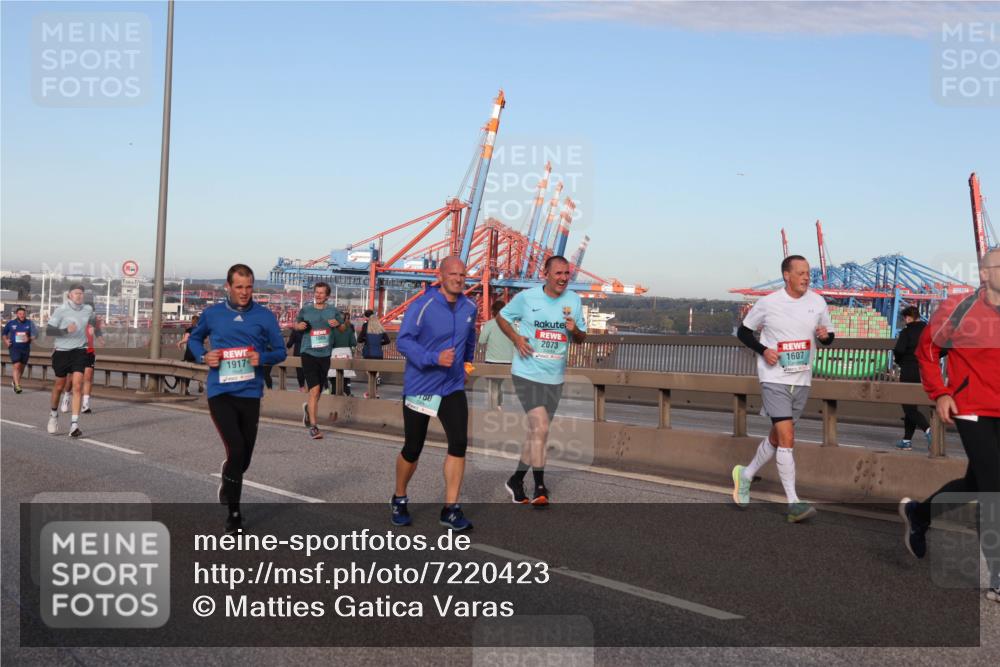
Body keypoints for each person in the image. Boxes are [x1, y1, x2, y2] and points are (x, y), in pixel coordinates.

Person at [900, 247, 1000, 603]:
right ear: (985, 274)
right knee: (993, 486)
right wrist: (940, 393)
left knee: (976, 481)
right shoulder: (959, 309)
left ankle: (919, 513)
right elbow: (927, 352)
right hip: (971, 407)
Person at [730, 255, 835, 523]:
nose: (806, 277)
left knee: (778, 437)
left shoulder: (818, 301)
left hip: (802, 378)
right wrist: (764, 350)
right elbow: (743, 332)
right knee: (788, 438)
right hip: (773, 377)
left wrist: (826, 337)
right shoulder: (769, 303)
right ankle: (794, 503)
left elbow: (828, 337)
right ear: (786, 275)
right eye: (800, 272)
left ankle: (746, 474)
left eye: (808, 273)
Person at [187, 264, 287, 534]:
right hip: (221, 392)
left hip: (250, 393)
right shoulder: (213, 314)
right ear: (228, 287)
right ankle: (234, 516)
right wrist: (203, 356)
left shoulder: (265, 317)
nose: (244, 292)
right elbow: (194, 340)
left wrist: (262, 358)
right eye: (239, 287)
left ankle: (228, 476)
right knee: (237, 449)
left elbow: (280, 351)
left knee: (244, 459)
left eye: (249, 286)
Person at [392, 256, 477, 531]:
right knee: (413, 447)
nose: (459, 278)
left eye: (463, 274)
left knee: (459, 442)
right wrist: (432, 357)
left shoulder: (470, 307)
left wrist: (466, 364)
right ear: (441, 276)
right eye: (453, 274)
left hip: (452, 387)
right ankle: (399, 497)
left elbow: (470, 339)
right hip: (421, 386)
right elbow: (403, 340)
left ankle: (450, 509)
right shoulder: (423, 305)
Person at [496, 256, 587, 506]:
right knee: (542, 427)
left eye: (567, 273)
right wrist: (516, 339)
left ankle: (515, 480)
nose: (563, 278)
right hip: (527, 373)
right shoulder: (527, 298)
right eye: (558, 273)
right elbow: (502, 317)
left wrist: (573, 330)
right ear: (545, 274)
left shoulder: (574, 300)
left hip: (555, 377)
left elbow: (581, 338)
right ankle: (539, 486)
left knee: (537, 432)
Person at [44, 285, 95, 437]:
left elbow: (92, 323)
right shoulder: (61, 310)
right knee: (59, 385)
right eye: (76, 293)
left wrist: (93, 329)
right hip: (61, 352)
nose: (79, 296)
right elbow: (49, 330)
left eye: (81, 293)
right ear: (69, 296)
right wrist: (66, 331)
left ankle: (74, 425)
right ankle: (53, 415)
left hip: (79, 351)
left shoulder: (88, 309)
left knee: (77, 385)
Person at [294, 282, 343, 439]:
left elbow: (343, 328)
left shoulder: (332, 311)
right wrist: (299, 326)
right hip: (308, 352)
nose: (318, 295)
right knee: (314, 390)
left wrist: (338, 324)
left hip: (325, 354)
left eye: (322, 293)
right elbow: (296, 325)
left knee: (319, 390)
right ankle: (314, 426)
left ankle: (308, 409)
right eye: (316, 292)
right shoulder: (306, 310)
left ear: (327, 296)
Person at [893, 305, 931, 450]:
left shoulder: (907, 331)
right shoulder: (929, 330)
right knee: (912, 406)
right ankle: (907, 440)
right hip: (926, 372)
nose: (905, 322)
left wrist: (899, 361)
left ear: (908, 318)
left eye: (905, 319)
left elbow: (899, 349)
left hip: (909, 370)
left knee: (908, 407)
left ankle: (928, 430)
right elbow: (943, 348)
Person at [60, 307, 103, 414]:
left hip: (89, 352)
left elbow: (98, 332)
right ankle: (66, 396)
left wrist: (101, 339)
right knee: (70, 378)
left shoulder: (93, 322)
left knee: (88, 376)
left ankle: (85, 404)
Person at [477, 299, 515, 409]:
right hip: (508, 361)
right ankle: (499, 404)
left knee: (492, 384)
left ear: (493, 311)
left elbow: (481, 341)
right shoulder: (511, 324)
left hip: (492, 360)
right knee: (499, 383)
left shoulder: (490, 324)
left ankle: (493, 405)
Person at [3, 307, 37, 393]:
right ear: (17, 314)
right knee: (16, 365)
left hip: (25, 348)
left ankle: (15, 381)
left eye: (23, 314)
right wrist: (6, 341)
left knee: (21, 368)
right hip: (14, 348)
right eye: (20, 314)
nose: (22, 315)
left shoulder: (30, 323)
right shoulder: (11, 323)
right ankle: (17, 386)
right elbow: (4, 333)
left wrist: (29, 338)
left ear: (25, 314)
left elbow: (35, 335)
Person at [358, 309, 390, 398]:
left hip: (368, 353)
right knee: (376, 374)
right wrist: (379, 343)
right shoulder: (380, 326)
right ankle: (375, 392)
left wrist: (367, 341)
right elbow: (387, 340)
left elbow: (359, 339)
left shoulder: (365, 326)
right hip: (378, 354)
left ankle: (370, 391)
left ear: (366, 317)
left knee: (369, 374)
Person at [328, 320, 358, 396]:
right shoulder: (349, 330)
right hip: (347, 352)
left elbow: (330, 343)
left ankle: (334, 392)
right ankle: (347, 392)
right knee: (346, 375)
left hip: (335, 352)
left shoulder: (333, 330)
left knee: (334, 375)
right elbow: (354, 343)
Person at [178, 314, 204, 394]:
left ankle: (186, 388)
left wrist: (180, 343)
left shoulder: (189, 330)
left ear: (192, 321)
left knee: (188, 371)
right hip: (199, 352)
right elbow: (206, 340)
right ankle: (200, 383)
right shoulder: (201, 330)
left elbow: (186, 339)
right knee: (200, 370)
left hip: (190, 352)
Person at [286, 327, 306, 392]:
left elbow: (290, 344)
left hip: (298, 353)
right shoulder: (308, 330)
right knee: (308, 371)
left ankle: (302, 387)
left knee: (299, 371)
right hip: (307, 353)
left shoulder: (295, 331)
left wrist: (288, 345)